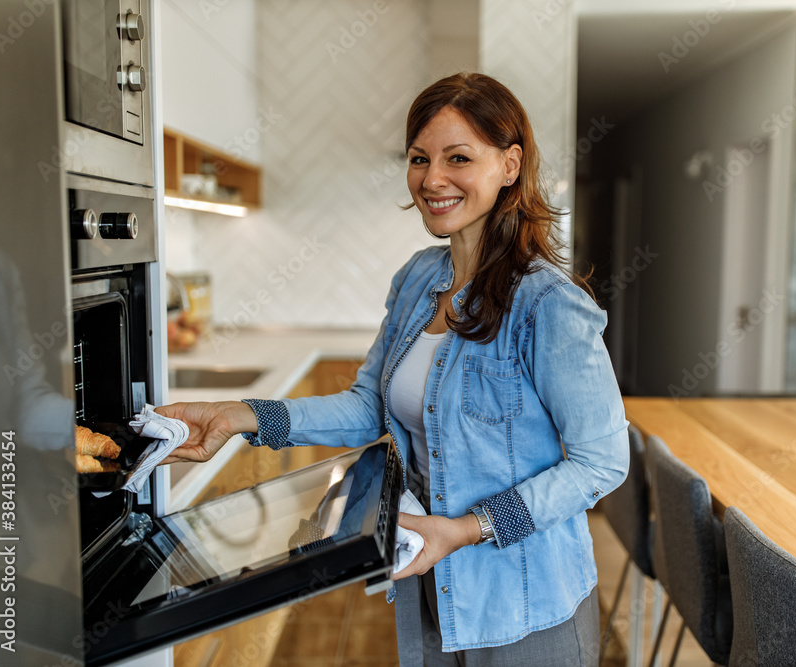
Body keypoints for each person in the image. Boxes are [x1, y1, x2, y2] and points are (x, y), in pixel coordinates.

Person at [158, 72, 629, 666]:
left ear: (510, 165)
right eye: (418, 158)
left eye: (458, 157)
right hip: (429, 581)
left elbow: (601, 462)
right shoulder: (417, 279)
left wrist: (466, 529)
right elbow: (365, 408)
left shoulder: (547, 305)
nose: (432, 180)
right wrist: (240, 415)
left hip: (524, 602)